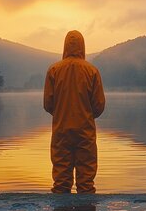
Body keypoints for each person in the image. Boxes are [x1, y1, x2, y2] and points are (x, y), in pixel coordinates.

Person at [43, 30, 105, 194]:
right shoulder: (92, 71)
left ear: (64, 46)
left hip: (61, 132)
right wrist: (86, 115)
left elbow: (48, 104)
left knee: (61, 183)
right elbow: (98, 106)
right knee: (86, 184)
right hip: (85, 133)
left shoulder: (54, 70)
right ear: (82, 46)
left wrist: (61, 115)